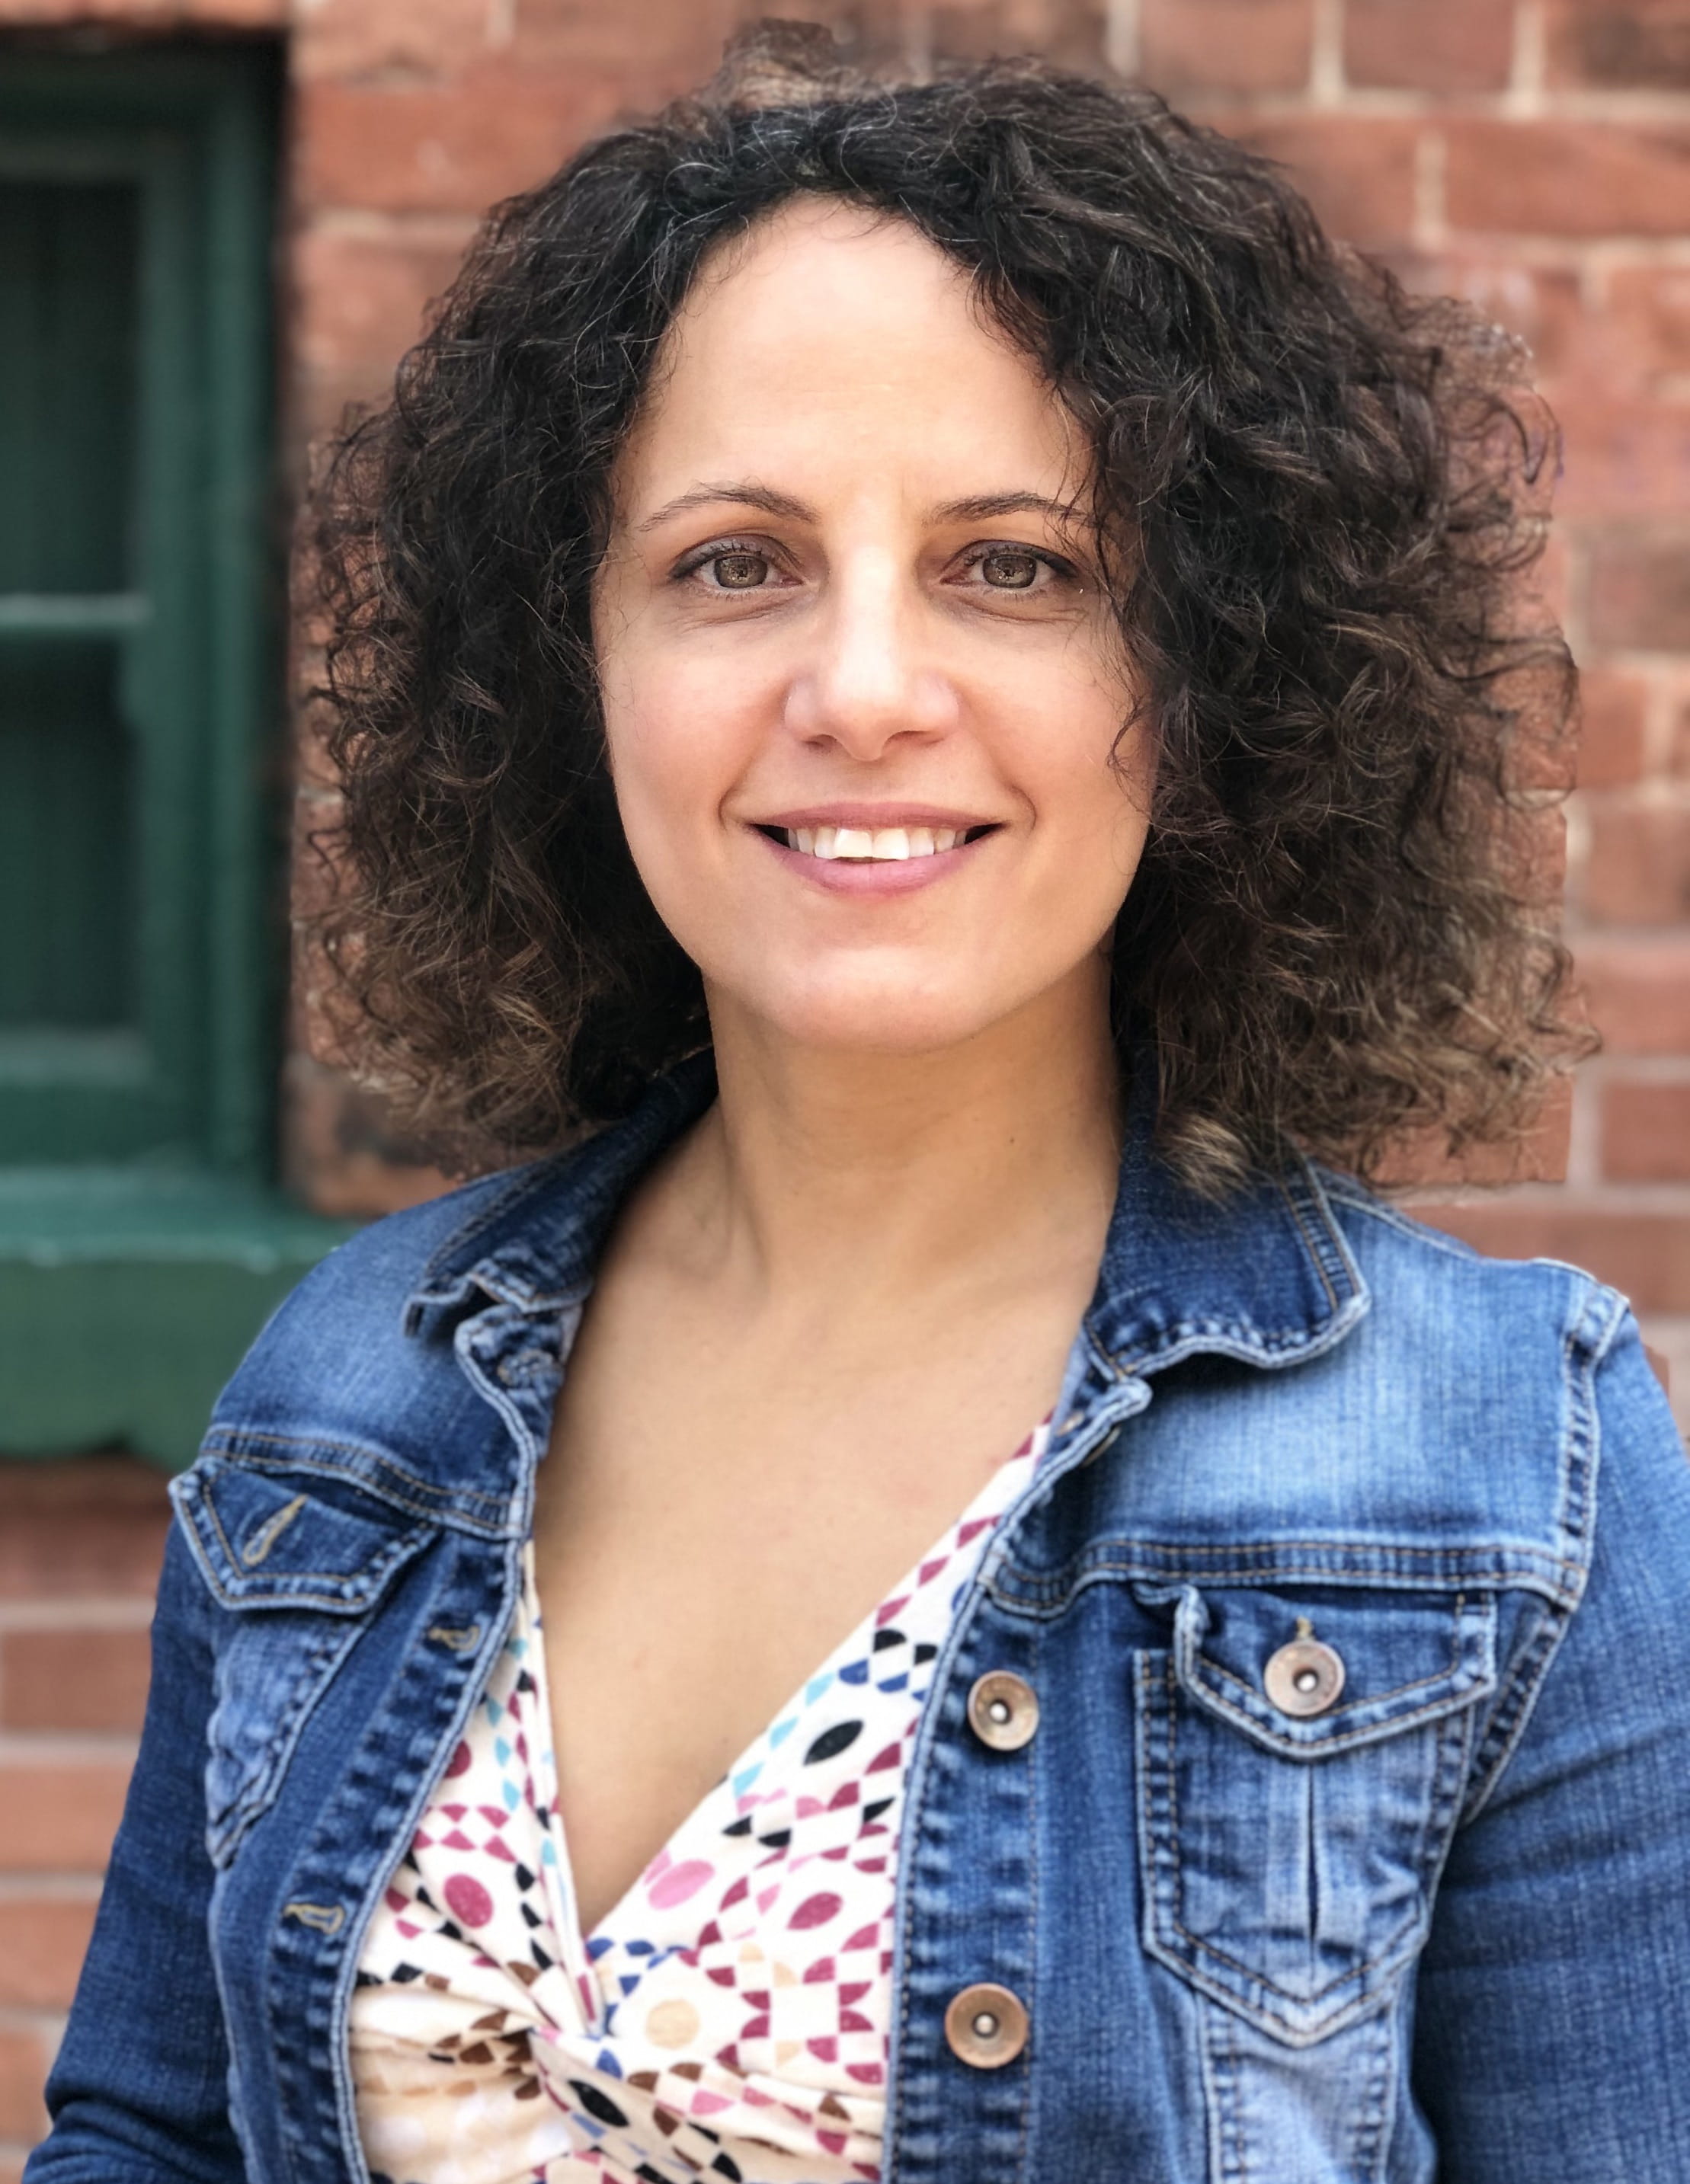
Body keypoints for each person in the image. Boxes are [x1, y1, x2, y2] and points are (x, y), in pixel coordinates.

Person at [28, 26, 1690, 2184]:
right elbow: (150, 2136)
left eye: (1016, 563)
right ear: (575, 659)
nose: (865, 688)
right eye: (734, 560)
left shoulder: (1497, 1467)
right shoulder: (352, 1388)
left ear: (1203, 679)